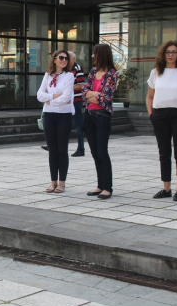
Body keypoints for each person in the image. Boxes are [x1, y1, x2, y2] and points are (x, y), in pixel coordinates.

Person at [146, 41, 177, 202]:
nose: (170, 55)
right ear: (163, 54)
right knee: (164, 152)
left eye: (174, 52)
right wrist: (151, 114)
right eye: (168, 52)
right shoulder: (156, 72)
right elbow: (149, 96)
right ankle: (166, 188)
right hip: (160, 116)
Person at [82, 44, 117, 200]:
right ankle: (100, 185)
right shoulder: (93, 72)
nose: (92, 56)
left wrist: (92, 94)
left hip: (102, 116)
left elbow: (106, 98)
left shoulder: (111, 74)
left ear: (101, 55)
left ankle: (107, 187)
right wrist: (94, 94)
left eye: (94, 53)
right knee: (95, 152)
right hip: (89, 115)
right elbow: (84, 93)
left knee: (102, 152)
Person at [37, 50, 75, 193]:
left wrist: (49, 100)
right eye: (61, 58)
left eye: (66, 58)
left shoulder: (69, 76)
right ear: (54, 60)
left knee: (61, 149)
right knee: (52, 150)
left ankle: (62, 183)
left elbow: (66, 98)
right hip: (49, 116)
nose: (64, 60)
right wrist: (54, 96)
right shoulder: (48, 76)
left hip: (63, 116)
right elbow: (39, 95)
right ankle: (53, 182)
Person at [70, 51, 86, 157]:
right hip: (68, 101)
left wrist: (67, 88)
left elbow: (81, 85)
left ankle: (81, 149)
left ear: (74, 59)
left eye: (68, 58)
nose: (65, 60)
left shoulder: (78, 68)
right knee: (64, 124)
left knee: (78, 125)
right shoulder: (66, 69)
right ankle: (54, 145)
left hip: (76, 101)